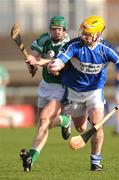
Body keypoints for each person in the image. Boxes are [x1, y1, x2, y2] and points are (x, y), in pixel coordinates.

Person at [27, 15, 119, 172]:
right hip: (74, 93)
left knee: (97, 125)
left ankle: (95, 161)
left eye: (87, 33)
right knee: (80, 128)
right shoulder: (74, 45)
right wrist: (55, 66)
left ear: (97, 34)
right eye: (83, 32)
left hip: (94, 92)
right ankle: (66, 121)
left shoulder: (106, 49)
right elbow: (61, 59)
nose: (83, 35)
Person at [19, 16, 71, 172]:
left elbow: (53, 62)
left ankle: (31, 158)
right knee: (42, 124)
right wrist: (31, 64)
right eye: (53, 29)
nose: (56, 32)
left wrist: (38, 62)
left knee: (44, 120)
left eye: (59, 29)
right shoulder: (44, 39)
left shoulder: (69, 45)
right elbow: (35, 55)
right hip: (45, 86)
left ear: (64, 30)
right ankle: (64, 121)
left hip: (61, 88)